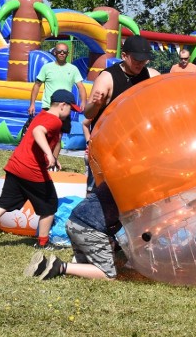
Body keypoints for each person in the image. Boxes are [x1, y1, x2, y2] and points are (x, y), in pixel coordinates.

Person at [29, 36, 161, 281]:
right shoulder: (108, 77)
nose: (140, 65)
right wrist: (95, 104)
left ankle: (118, 248)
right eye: (137, 60)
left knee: (135, 202)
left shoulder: (150, 75)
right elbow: (88, 116)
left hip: (139, 148)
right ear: (125, 56)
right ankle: (99, 241)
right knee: (102, 196)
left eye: (144, 61)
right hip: (109, 149)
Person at [0, 90, 79, 251]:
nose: (71, 113)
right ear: (63, 105)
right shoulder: (55, 121)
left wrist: (53, 158)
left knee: (3, 203)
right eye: (71, 109)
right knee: (50, 205)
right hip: (31, 170)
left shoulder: (42, 114)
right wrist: (49, 153)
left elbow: (36, 137)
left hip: (15, 165)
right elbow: (37, 132)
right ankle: (42, 243)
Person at [28, 42, 86, 134]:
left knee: (59, 136)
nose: (62, 53)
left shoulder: (73, 69)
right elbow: (37, 85)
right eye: (59, 51)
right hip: (48, 107)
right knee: (46, 133)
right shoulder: (46, 68)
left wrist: (83, 101)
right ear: (55, 52)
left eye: (64, 51)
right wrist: (32, 104)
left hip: (64, 108)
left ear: (67, 53)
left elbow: (81, 87)